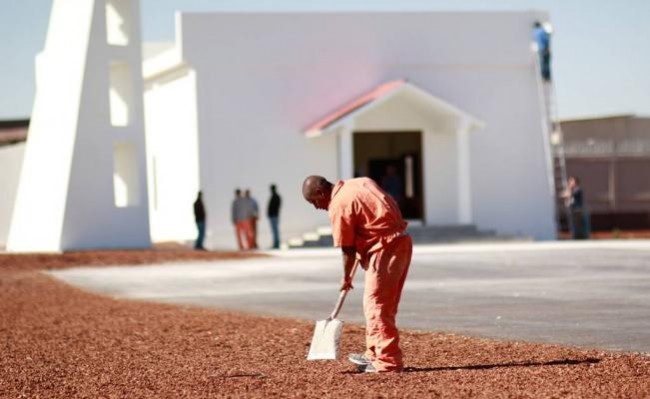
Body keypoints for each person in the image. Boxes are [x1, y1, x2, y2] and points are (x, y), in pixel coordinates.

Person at [302, 175, 412, 373]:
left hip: (385, 249)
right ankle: (374, 354)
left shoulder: (338, 205)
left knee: (376, 305)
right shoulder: (359, 182)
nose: (316, 207)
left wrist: (345, 278)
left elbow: (347, 249)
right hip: (402, 241)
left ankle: (388, 361)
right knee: (380, 303)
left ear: (321, 193)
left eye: (313, 202)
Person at [267, 184, 282, 249]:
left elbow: (276, 206)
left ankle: (276, 244)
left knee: (275, 230)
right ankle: (276, 244)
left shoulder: (276, 197)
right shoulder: (274, 196)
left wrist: (273, 213)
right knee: (274, 230)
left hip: (274, 215)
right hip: (273, 215)